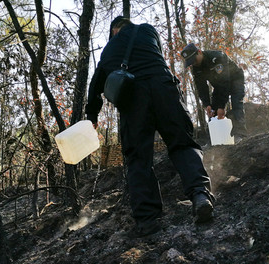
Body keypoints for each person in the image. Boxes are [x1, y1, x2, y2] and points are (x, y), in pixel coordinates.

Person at [86, 16, 215, 238]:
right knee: (182, 143)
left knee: (138, 158)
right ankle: (200, 195)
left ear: (115, 30)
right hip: (163, 88)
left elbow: (96, 83)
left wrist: (92, 116)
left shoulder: (109, 49)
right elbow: (157, 55)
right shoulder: (147, 30)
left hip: (133, 101)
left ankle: (148, 221)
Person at [181, 43, 248, 143]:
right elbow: (201, 87)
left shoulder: (217, 57)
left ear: (199, 52)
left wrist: (222, 106)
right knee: (213, 110)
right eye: (191, 62)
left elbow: (225, 82)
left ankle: (241, 134)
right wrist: (207, 104)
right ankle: (213, 140)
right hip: (219, 85)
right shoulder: (196, 68)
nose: (194, 63)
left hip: (235, 79)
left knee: (236, 102)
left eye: (194, 60)